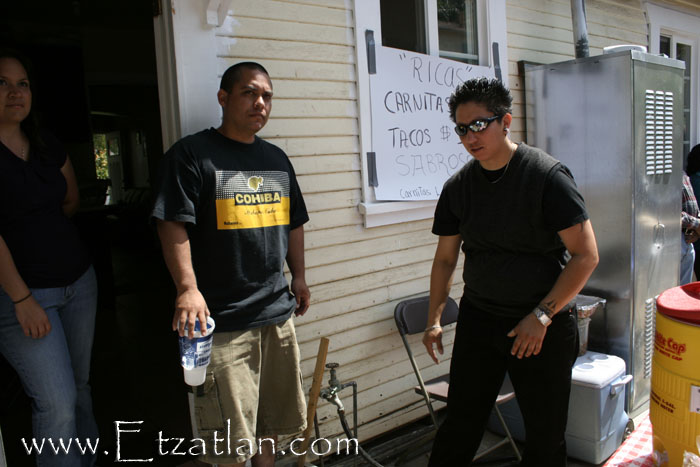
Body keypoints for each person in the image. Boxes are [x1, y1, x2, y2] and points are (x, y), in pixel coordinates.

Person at [422, 78, 599, 466]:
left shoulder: (547, 177)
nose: (470, 137)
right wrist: (434, 319)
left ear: (505, 121)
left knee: (545, 437)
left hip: (542, 324)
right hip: (481, 318)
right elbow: (446, 259)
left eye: (479, 125)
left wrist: (541, 316)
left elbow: (586, 255)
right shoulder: (458, 188)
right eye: (461, 129)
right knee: (460, 426)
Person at [151, 62, 310, 467]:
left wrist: (300, 277)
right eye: (249, 93)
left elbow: (293, 223)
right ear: (223, 98)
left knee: (270, 423)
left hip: (275, 314)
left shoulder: (275, 158)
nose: (260, 103)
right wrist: (188, 288)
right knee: (229, 440)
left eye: (267, 96)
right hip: (221, 321)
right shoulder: (192, 155)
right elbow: (171, 223)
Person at [0, 49, 99, 466]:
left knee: (79, 389)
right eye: (2, 83)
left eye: (22, 84)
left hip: (79, 282)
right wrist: (22, 299)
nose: (15, 92)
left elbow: (70, 200)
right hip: (23, 296)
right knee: (56, 403)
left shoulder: (45, 143)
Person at [681, 173, 699, 285]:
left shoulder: (683, 175)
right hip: (673, 239)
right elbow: (668, 213)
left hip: (689, 239)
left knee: (683, 291)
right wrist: (696, 224)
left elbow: (695, 207)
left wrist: (696, 230)